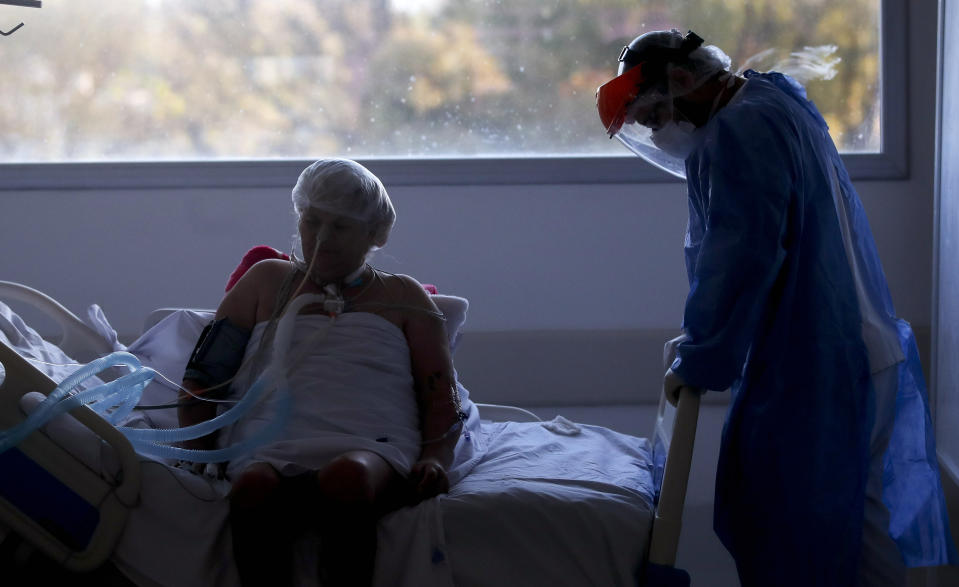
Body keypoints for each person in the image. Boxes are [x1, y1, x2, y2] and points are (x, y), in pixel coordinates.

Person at [596, 29, 957, 587]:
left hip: (821, 362)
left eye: (655, 115)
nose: (659, 132)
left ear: (685, 80)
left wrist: (703, 354)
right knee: (864, 525)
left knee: (793, 530)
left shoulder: (740, 131)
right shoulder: (776, 100)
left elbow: (740, 256)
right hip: (868, 348)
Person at [176, 158, 464, 586]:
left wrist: (434, 460)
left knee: (348, 479)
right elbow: (203, 378)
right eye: (312, 222)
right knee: (253, 488)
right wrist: (196, 453)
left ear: (374, 234)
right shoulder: (263, 282)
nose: (322, 239)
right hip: (270, 444)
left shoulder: (404, 297)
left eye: (341, 227)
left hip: (371, 443)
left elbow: (441, 399)